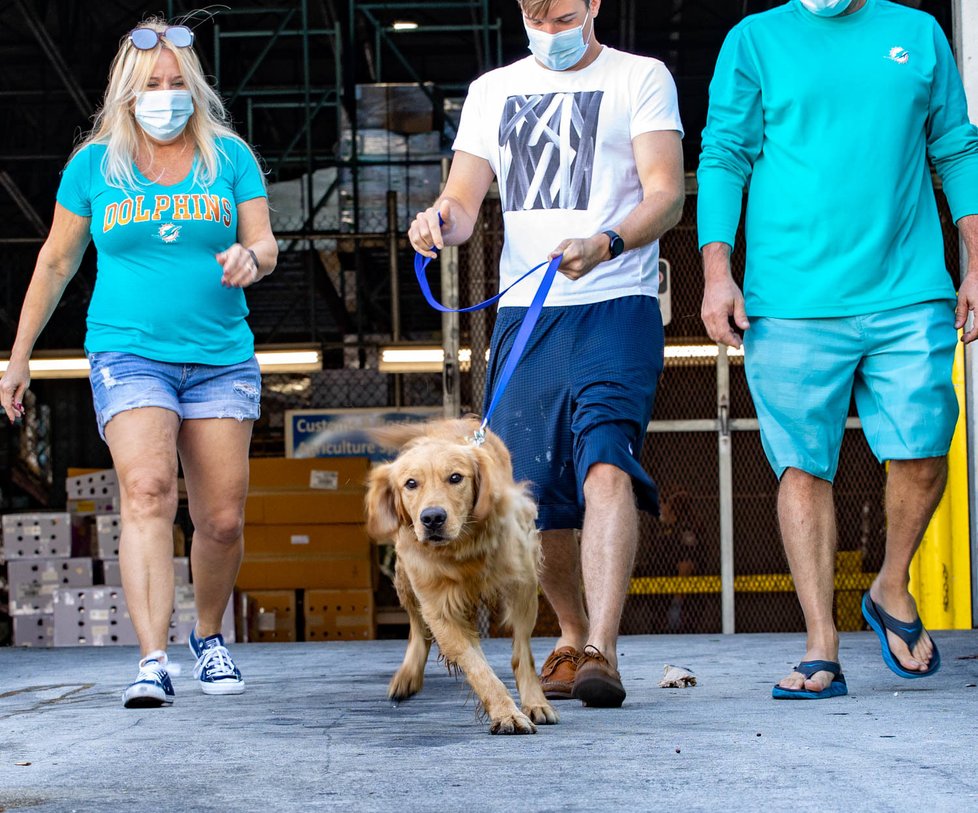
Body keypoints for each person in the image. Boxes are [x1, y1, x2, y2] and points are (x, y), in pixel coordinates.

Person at [697, 0, 978, 699]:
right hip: (788, 297)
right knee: (803, 463)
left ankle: (890, 583)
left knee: (922, 444)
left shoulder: (916, 33)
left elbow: (956, 145)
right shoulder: (754, 40)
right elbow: (723, 153)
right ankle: (821, 641)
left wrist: (975, 260)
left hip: (908, 285)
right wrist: (715, 272)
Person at [408, 0, 684, 707]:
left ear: (593, 5)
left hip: (616, 302)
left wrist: (609, 242)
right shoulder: (490, 92)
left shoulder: (641, 77)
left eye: (564, 15)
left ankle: (603, 650)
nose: (549, 29)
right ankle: (571, 630)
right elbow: (464, 203)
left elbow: (667, 194)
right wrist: (439, 221)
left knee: (604, 461)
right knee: (533, 496)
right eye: (536, 15)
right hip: (526, 317)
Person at [0, 18, 277, 707]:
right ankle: (152, 657)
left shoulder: (230, 157)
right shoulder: (94, 166)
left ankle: (207, 637)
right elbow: (57, 261)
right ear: (127, 91)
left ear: (195, 87)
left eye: (176, 83)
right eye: (151, 84)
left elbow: (266, 244)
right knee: (149, 490)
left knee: (221, 520)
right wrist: (18, 356)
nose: (165, 94)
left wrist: (251, 257)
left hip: (220, 356)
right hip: (128, 352)